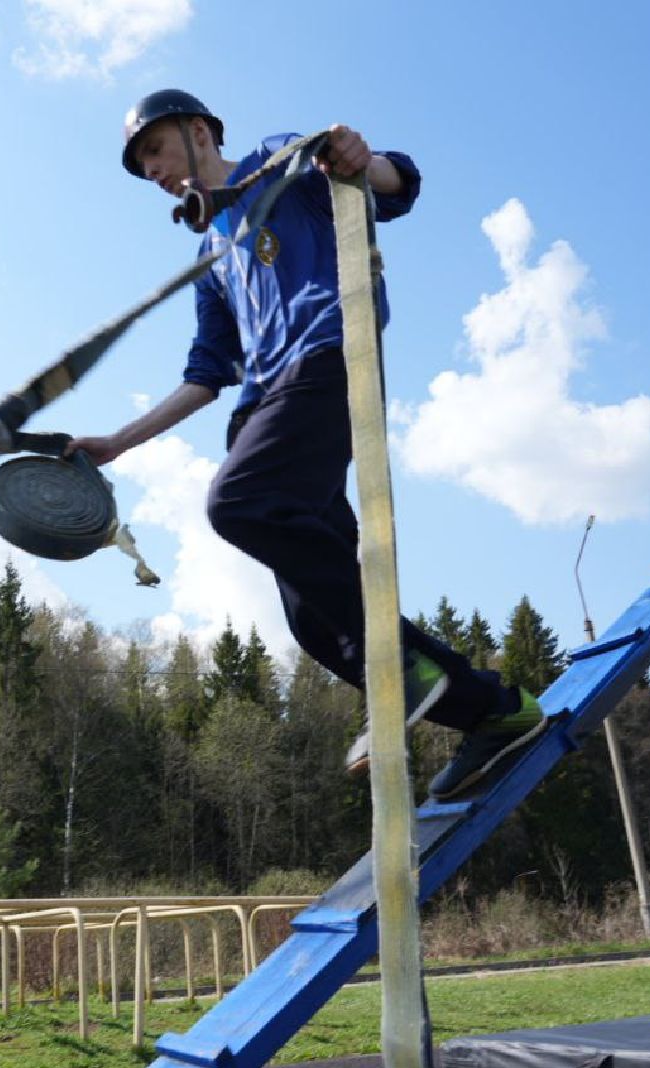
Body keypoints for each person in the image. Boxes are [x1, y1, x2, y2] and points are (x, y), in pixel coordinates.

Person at [68, 90, 547, 799]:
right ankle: (496, 712)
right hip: (266, 409)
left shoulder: (275, 162)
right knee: (318, 627)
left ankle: (402, 670)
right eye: (144, 171)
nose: (155, 174)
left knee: (237, 503)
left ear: (198, 132)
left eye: (157, 153)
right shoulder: (211, 253)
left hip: (328, 357)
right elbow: (206, 373)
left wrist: (365, 159)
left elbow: (389, 182)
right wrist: (116, 442)